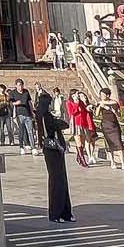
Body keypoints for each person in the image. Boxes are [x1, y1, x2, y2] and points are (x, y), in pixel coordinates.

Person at [36, 91, 73, 223]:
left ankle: (65, 212)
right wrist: (58, 122)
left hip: (53, 149)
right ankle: (56, 213)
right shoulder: (45, 116)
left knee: (60, 180)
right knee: (57, 180)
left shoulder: (42, 115)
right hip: (52, 149)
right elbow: (58, 126)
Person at [95, 87, 124, 170]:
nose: (102, 96)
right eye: (101, 94)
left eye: (103, 94)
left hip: (114, 125)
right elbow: (97, 114)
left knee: (118, 142)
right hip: (106, 125)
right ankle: (112, 161)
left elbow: (119, 115)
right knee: (108, 143)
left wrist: (114, 110)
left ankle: (123, 162)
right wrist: (100, 106)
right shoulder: (100, 103)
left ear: (108, 95)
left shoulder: (114, 103)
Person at [11, 81, 36, 154]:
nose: (20, 87)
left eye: (21, 85)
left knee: (30, 131)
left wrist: (32, 112)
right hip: (19, 114)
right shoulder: (13, 93)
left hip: (27, 114)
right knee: (21, 132)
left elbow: (29, 102)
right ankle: (21, 147)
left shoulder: (26, 92)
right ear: (16, 86)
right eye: (19, 85)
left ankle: (33, 147)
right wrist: (16, 103)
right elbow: (10, 102)